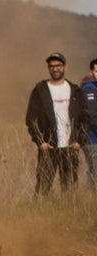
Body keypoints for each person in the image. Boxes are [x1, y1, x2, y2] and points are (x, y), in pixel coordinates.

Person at [26, 52, 86, 195]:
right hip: (49, 147)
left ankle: (68, 215)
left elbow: (85, 118)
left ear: (65, 67)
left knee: (70, 189)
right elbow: (31, 119)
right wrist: (40, 142)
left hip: (70, 147)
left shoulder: (75, 91)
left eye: (58, 65)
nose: (55, 69)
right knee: (42, 188)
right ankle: (39, 215)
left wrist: (79, 141)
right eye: (51, 66)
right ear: (48, 68)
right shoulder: (40, 91)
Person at [81, 59, 97, 187]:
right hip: (92, 139)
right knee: (95, 172)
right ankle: (91, 200)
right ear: (92, 72)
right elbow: (92, 116)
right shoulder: (89, 88)